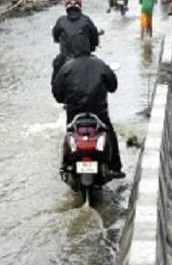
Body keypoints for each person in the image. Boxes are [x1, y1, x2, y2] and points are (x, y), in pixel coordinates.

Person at [52, 34, 124, 178]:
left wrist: (67, 99)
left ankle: (65, 166)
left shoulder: (66, 67)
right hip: (99, 112)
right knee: (109, 132)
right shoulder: (100, 64)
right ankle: (115, 166)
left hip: (74, 114)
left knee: (69, 134)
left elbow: (57, 95)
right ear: (90, 46)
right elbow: (113, 86)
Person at [52, 0, 99, 73]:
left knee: (56, 69)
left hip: (66, 60)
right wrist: (93, 46)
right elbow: (94, 38)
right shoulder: (86, 20)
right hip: (84, 59)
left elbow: (55, 37)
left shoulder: (61, 21)